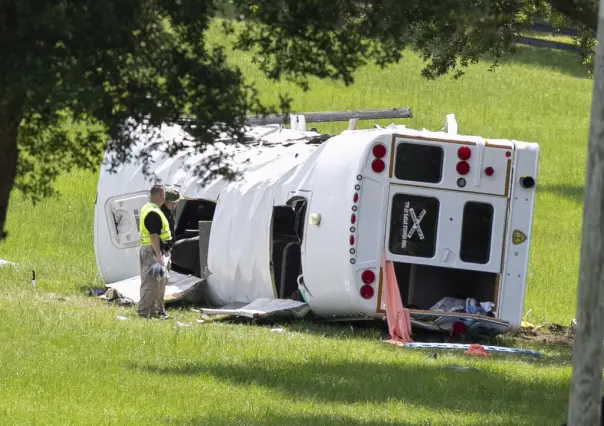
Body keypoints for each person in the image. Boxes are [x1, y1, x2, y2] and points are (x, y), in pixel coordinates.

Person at [137, 184, 173, 319]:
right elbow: (153, 235)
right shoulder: (153, 212)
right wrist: (158, 254)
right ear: (160, 195)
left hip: (154, 250)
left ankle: (155, 312)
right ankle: (143, 312)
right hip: (152, 251)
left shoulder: (149, 208)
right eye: (164, 194)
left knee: (159, 282)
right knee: (151, 283)